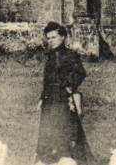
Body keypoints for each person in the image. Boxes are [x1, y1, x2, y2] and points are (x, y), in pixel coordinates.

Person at [35, 21, 92, 165]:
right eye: (48, 38)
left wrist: (69, 86)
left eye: (53, 37)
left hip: (63, 99)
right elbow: (47, 79)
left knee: (67, 129)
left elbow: (80, 73)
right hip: (50, 99)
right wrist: (42, 97)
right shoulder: (50, 56)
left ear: (62, 37)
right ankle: (49, 159)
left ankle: (70, 159)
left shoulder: (71, 55)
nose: (50, 41)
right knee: (48, 129)